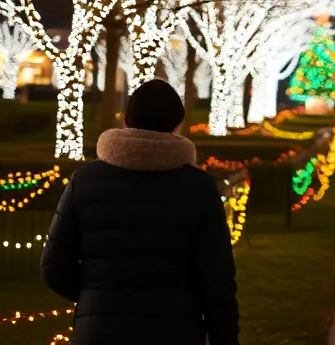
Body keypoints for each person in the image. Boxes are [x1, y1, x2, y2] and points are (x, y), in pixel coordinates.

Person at [40, 79, 237, 345]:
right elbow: (217, 279)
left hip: (99, 331)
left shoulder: (85, 180)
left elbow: (54, 267)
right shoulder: (199, 187)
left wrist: (98, 297)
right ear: (176, 125)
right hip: (176, 328)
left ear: (126, 121)